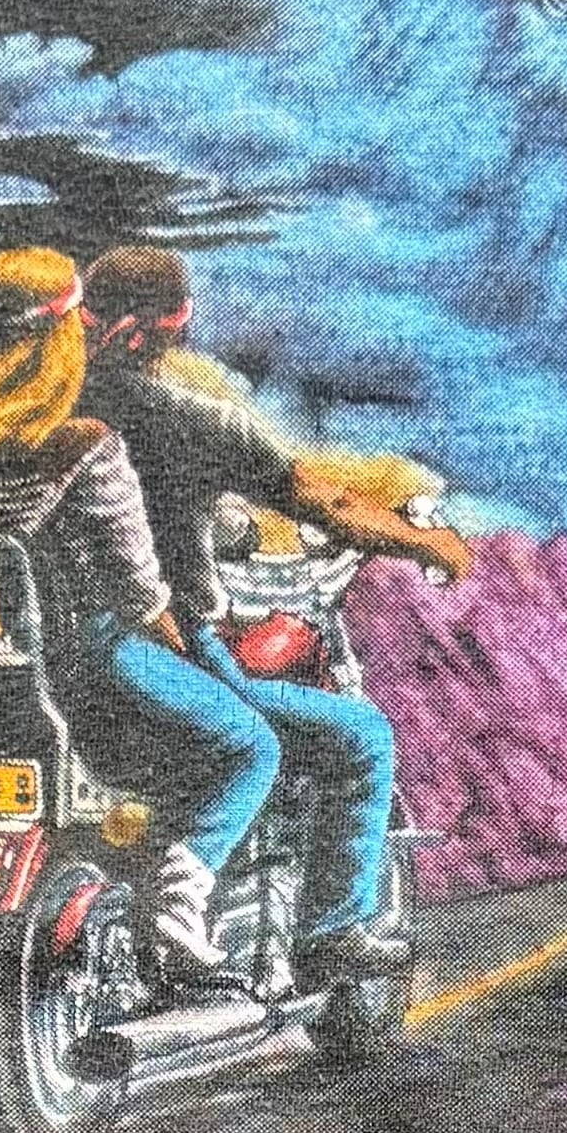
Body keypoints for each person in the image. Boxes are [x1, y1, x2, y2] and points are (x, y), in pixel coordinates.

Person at [0, 248, 412, 993]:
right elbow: (143, 597)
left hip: (3, 679)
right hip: (105, 658)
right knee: (266, 742)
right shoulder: (90, 445)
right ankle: (246, 919)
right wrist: (187, 646)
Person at [79, 243, 469, 980]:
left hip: (44, 665)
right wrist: (429, 541)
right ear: (173, 325)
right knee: (357, 737)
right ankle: (330, 935)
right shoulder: (193, 423)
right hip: (152, 647)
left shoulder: (28, 415)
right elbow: (326, 502)